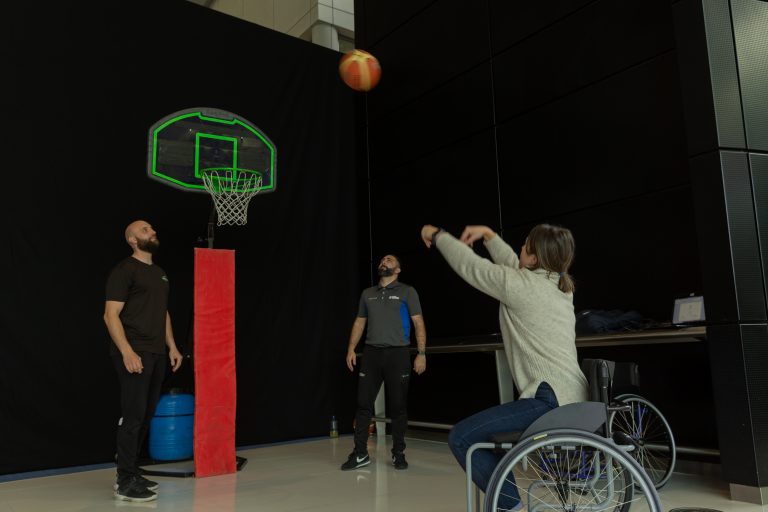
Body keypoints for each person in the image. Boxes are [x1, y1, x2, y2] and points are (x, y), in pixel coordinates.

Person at [420, 223, 587, 511]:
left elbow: (470, 265)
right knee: (479, 438)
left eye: (524, 245)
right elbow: (516, 266)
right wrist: (488, 235)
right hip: (575, 397)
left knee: (462, 438)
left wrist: (437, 235)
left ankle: (511, 507)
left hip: (549, 400)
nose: (519, 248)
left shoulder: (521, 286)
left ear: (534, 258)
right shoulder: (559, 287)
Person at [103, 220, 183, 502]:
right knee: (133, 416)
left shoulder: (160, 273)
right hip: (134, 351)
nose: (152, 231)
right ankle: (124, 481)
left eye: (151, 228)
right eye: (145, 230)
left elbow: (163, 314)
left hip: (157, 353)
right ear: (132, 240)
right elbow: (110, 315)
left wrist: (172, 346)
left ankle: (132, 470)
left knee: (146, 415)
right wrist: (126, 351)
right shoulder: (125, 270)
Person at [341, 254, 427, 471]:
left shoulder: (407, 292)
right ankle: (360, 454)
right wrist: (351, 348)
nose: (383, 262)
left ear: (398, 269)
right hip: (371, 355)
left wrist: (421, 353)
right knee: (363, 405)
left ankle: (398, 453)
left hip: (397, 355)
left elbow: (418, 323)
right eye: (382, 260)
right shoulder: (367, 294)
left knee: (398, 407)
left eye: (389, 260)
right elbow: (360, 322)